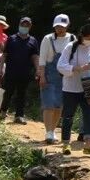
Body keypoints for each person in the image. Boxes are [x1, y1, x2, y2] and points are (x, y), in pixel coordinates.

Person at [56, 20, 90, 156]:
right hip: (71, 87)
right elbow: (60, 66)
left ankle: (88, 145)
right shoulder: (71, 47)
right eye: (87, 38)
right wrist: (78, 68)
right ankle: (66, 144)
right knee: (68, 116)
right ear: (81, 36)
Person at [37, 14, 73, 144]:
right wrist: (42, 76)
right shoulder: (48, 39)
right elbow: (42, 60)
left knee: (59, 105)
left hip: (66, 76)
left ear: (67, 26)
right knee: (48, 104)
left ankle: (53, 129)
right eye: (57, 26)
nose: (60, 29)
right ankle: (48, 131)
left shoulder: (73, 39)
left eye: (62, 26)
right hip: (49, 74)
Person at [0, 16, 39, 124]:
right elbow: (4, 55)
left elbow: (35, 56)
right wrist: (1, 68)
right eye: (23, 24)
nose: (24, 26)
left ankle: (19, 115)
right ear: (19, 25)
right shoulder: (11, 38)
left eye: (27, 25)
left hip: (25, 72)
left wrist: (38, 69)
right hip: (11, 71)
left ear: (30, 26)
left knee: (22, 93)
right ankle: (3, 111)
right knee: (8, 92)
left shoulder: (33, 41)